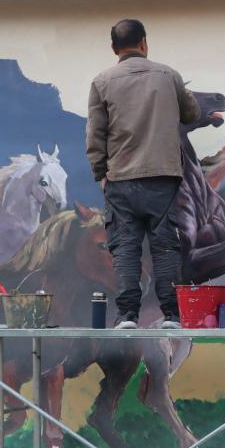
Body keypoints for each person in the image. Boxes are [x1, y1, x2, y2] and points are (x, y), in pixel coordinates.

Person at [86, 18, 200, 329]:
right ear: (145, 43)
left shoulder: (101, 82)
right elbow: (192, 113)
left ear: (114, 49)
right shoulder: (168, 75)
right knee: (164, 246)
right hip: (162, 178)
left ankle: (127, 316)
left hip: (121, 178)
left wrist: (101, 173)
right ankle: (171, 315)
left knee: (125, 247)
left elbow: (95, 136)